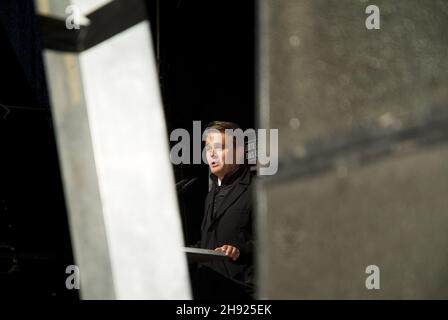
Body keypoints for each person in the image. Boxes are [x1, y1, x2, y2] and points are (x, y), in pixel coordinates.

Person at [190, 121, 255, 299]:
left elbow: (271, 242)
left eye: (219, 147)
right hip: (208, 290)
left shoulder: (256, 189)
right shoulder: (211, 195)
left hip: (241, 293)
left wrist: (239, 250)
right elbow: (208, 244)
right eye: (208, 147)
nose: (211, 153)